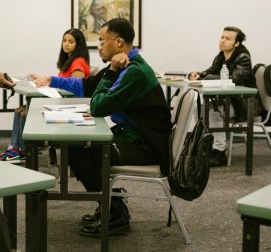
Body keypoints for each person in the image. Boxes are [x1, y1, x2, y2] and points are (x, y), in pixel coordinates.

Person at [32, 19, 172, 237]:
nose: (98, 46)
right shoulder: (126, 66)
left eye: (101, 40)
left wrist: (112, 71)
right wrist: (52, 80)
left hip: (146, 145)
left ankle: (114, 213)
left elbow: (98, 106)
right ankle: (110, 205)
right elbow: (87, 86)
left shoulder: (134, 71)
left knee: (78, 152)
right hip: (134, 137)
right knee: (78, 148)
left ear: (118, 42)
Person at [0, 28, 91, 162]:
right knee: (20, 110)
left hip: (70, 106)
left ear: (78, 44)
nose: (66, 44)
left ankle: (23, 150)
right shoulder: (70, 60)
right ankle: (15, 148)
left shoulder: (78, 62)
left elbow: (74, 90)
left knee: (25, 112)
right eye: (64, 41)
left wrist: (49, 84)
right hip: (62, 102)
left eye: (71, 41)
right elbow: (63, 84)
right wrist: (43, 79)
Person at [189, 26, 255, 167]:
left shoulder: (243, 57)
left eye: (227, 38)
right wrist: (198, 75)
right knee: (198, 106)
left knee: (213, 110)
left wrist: (207, 77)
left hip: (243, 103)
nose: (222, 40)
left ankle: (220, 151)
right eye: (222, 37)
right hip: (228, 101)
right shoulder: (221, 56)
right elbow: (211, 71)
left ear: (236, 43)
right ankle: (205, 144)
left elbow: (234, 78)